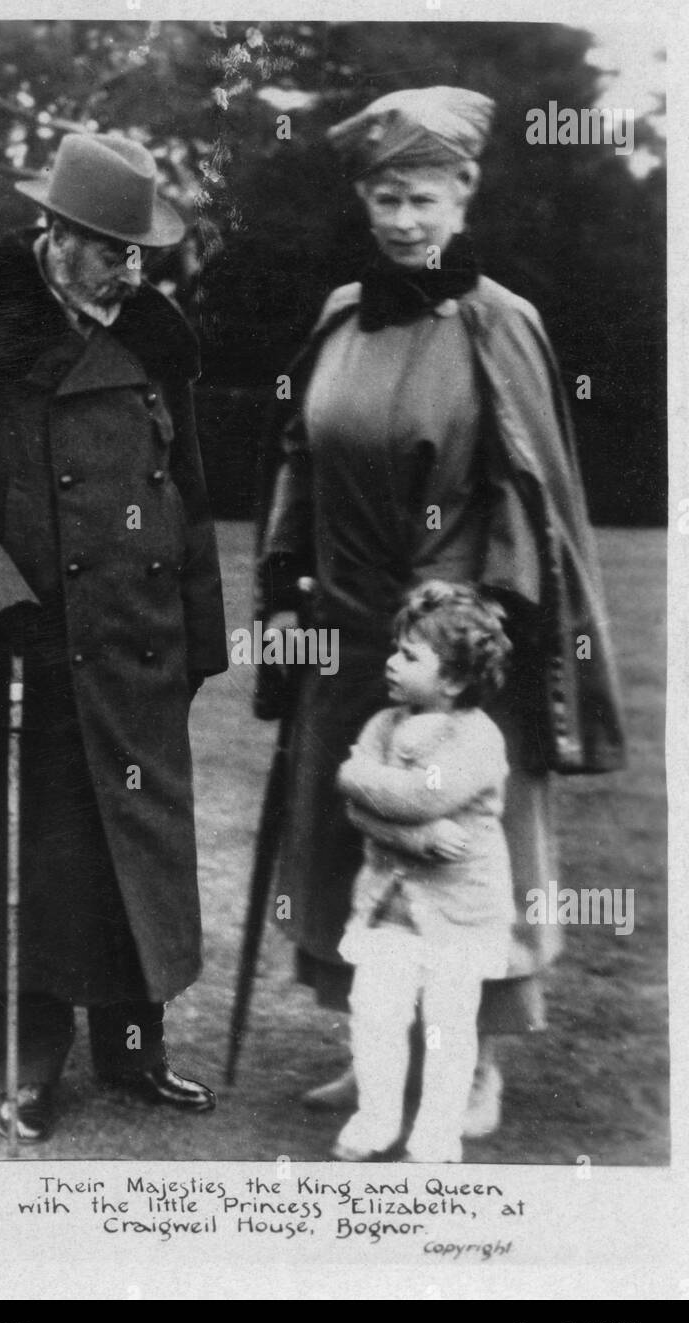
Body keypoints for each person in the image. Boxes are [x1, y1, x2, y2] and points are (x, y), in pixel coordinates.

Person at [254, 87, 625, 1134]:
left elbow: (527, 491)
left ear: (464, 194)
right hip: (349, 617)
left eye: (421, 197)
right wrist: (286, 590)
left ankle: (471, 1065)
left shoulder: (502, 324)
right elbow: (296, 461)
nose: (402, 219)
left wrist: (471, 624)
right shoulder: (339, 314)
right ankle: (371, 1042)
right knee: (349, 826)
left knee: (462, 837)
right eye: (383, 197)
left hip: (458, 636)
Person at [0, 132, 227, 1143]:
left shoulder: (157, 336)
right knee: (36, 852)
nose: (128, 269)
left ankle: (135, 1052)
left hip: (139, 638)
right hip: (25, 640)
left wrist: (201, 636)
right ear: (55, 232)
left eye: (138, 252)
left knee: (136, 842)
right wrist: (2, 603)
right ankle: (28, 1065)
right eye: (106, 249)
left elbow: (190, 491)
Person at [333, 581, 514, 1163]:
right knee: (376, 1013)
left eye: (409, 655)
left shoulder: (477, 739)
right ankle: (376, 1118)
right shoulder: (384, 724)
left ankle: (437, 1133)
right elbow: (356, 803)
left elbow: (416, 796)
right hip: (388, 909)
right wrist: (411, 834)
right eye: (395, 649)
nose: (391, 662)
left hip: (459, 915)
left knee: (447, 1025)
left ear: (455, 679)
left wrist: (359, 782)